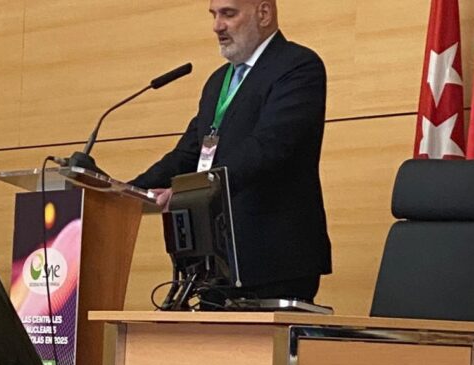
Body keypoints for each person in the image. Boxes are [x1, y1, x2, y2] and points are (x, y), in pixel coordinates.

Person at [130, 0, 331, 303]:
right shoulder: (217, 82)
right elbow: (188, 154)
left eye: (228, 14)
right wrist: (128, 192)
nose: (217, 26)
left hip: (275, 257)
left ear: (263, 13)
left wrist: (193, 190)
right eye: (214, 15)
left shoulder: (297, 66)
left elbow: (269, 147)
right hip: (215, 260)